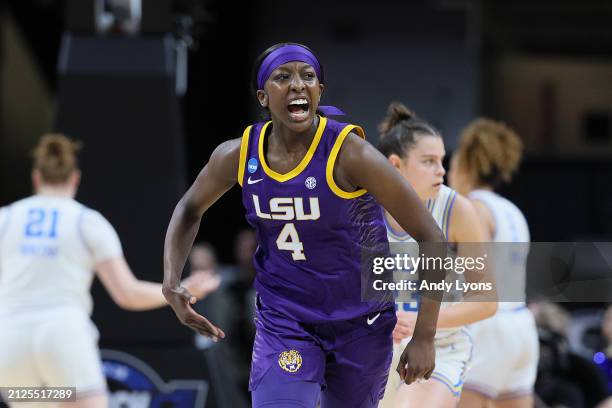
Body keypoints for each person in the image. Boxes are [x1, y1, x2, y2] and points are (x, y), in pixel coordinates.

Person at [162, 42, 447, 407]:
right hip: (287, 319)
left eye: (307, 77)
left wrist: (425, 336)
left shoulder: (350, 154)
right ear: (263, 97)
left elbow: (432, 238)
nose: (298, 84)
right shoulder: (237, 155)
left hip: (361, 321)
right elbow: (188, 208)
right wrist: (171, 281)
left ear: (319, 92)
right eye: (284, 77)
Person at [0, 134, 218, 408]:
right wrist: (181, 289)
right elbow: (128, 294)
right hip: (62, 333)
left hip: (9, 338)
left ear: (36, 178)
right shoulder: (86, 221)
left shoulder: (5, 219)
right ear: (75, 178)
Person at [376, 103, 496, 408]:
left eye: (442, 160)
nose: (442, 170)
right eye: (429, 161)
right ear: (395, 165)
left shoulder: (457, 209)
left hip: (441, 346)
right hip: (375, 347)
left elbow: (487, 300)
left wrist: (422, 322)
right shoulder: (364, 206)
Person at [449, 118, 539, 408]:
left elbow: (464, 276)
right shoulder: (512, 210)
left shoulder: (472, 208)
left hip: (488, 325)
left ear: (465, 163)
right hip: (522, 326)